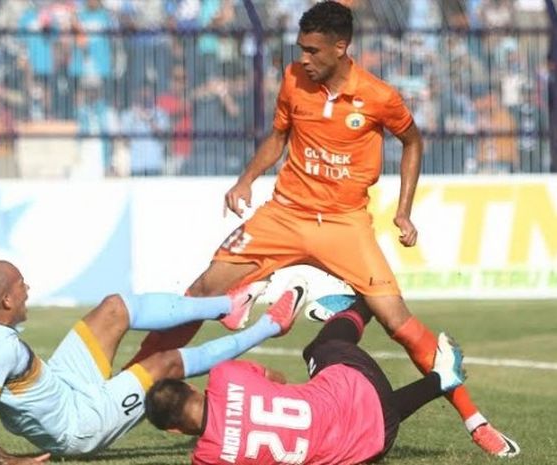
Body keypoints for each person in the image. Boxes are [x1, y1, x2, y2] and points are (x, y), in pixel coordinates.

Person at [127, 1, 519, 457]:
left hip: (344, 224)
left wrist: (404, 211)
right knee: (197, 296)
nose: (304, 59)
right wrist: (246, 179)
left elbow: (412, 141)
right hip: (284, 215)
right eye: (301, 49)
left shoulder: (378, 96)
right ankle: (130, 389)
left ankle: (475, 420)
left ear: (341, 47)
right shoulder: (293, 79)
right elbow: (278, 136)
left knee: (400, 323)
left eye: (313, 51)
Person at [0, 260, 308, 464]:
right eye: (21, 284)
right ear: (7, 299)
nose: (28, 287)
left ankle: (225, 307)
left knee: (114, 307)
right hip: (78, 424)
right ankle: (269, 327)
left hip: (63, 383)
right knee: (164, 363)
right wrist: (8, 461)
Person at [146, 305, 468, 465]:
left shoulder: (207, 458)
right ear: (191, 388)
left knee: (356, 422)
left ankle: (441, 379)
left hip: (371, 445)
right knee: (318, 351)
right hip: (362, 384)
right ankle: (364, 303)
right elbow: (278, 379)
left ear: (175, 430)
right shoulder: (225, 375)